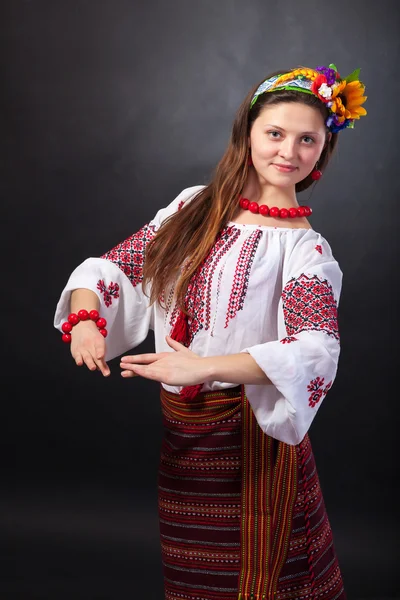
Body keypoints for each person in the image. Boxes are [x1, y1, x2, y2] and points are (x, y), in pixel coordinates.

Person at [54, 63, 367, 600]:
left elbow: (314, 346)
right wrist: (85, 320)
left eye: (307, 139)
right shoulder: (192, 207)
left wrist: (202, 367)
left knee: (265, 579)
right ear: (246, 132)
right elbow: (118, 268)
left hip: (252, 441)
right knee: (194, 578)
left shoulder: (305, 251)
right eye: (275, 133)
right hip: (184, 439)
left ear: (323, 151)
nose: (288, 151)